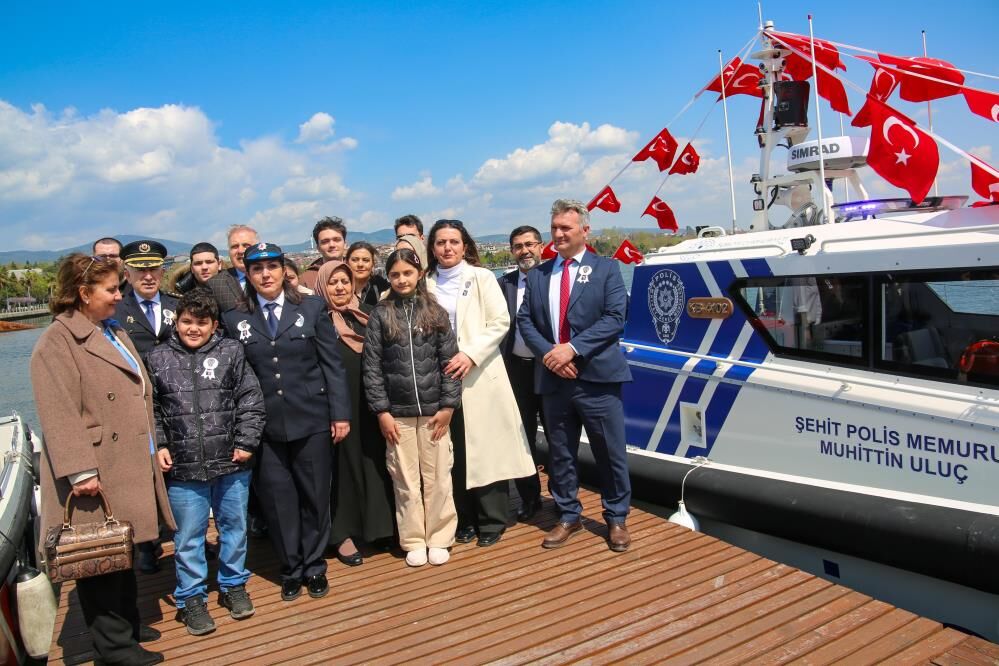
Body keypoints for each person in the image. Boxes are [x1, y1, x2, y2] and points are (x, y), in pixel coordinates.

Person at [31, 253, 176, 666]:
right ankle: (114, 650)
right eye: (111, 289)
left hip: (125, 458)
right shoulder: (56, 342)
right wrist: (80, 472)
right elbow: (58, 413)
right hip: (94, 469)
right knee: (98, 563)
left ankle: (127, 625)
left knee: (119, 551)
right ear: (83, 293)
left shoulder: (111, 329)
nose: (118, 296)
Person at [222, 243, 351, 602]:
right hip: (264, 427)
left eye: (272, 267)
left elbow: (332, 364)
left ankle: (314, 566)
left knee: (314, 496)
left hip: (311, 418)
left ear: (283, 270)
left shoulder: (311, 308)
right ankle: (291, 567)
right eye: (257, 269)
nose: (265, 275)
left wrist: (340, 413)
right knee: (279, 502)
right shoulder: (234, 319)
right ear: (248, 275)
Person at [517, 199, 633, 552]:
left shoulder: (606, 269)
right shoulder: (538, 275)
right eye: (554, 228)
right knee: (560, 454)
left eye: (565, 228)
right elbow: (525, 320)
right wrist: (551, 355)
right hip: (554, 379)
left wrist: (572, 348)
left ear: (585, 230)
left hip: (597, 378)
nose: (558, 234)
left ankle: (616, 518)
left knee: (609, 452)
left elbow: (615, 318)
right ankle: (568, 515)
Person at [147, 289, 265, 636]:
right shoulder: (156, 357)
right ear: (176, 322)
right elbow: (150, 410)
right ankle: (191, 599)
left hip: (231, 461)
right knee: (188, 537)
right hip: (183, 467)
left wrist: (246, 442)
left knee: (234, 529)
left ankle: (233, 585)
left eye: (202, 322)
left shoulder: (232, 352)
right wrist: (159, 444)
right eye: (187, 321)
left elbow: (251, 401)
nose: (193, 328)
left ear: (215, 325)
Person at [426, 219, 535, 547]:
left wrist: (470, 354)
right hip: (440, 377)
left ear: (465, 246)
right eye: (441, 242)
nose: (447, 248)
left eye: (454, 242)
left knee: (486, 449)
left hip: (479, 373)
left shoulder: (481, 277)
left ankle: (492, 519)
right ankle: (464, 518)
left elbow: (500, 322)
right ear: (432, 248)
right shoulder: (424, 282)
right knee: (454, 449)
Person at [363, 248, 460, 566]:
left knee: (438, 476)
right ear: (388, 277)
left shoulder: (435, 312)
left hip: (435, 412)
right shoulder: (380, 314)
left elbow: (449, 362)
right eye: (395, 274)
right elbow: (372, 367)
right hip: (398, 414)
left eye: (408, 273)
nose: (402, 279)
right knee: (404, 479)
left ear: (419, 274)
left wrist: (448, 406)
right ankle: (414, 539)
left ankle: (440, 537)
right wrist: (382, 411)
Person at [316, 260, 395, 566]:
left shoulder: (368, 314)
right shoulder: (315, 320)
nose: (340, 287)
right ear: (322, 285)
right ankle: (342, 533)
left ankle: (380, 526)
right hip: (336, 407)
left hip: (371, 402)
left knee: (374, 462)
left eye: (345, 281)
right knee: (342, 469)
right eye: (333, 282)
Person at [497, 225, 547, 521]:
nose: (524, 251)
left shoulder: (554, 278)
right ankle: (530, 498)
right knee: (521, 436)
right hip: (515, 370)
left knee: (557, 435)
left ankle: (564, 497)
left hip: (550, 369)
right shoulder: (503, 284)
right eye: (518, 246)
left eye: (529, 244)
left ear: (541, 246)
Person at [114, 240, 178, 363]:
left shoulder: (179, 305)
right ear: (127, 276)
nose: (148, 277)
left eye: (153, 269)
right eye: (140, 270)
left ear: (162, 273)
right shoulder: (116, 310)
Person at [206, 225, 257, 314]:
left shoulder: (274, 278)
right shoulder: (215, 284)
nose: (240, 251)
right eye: (235, 246)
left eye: (246, 245)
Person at [301, 217, 347, 290]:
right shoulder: (306, 279)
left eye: (337, 240)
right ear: (318, 248)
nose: (332, 245)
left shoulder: (357, 272)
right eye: (325, 241)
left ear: (345, 244)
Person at [346, 241, 389, 306]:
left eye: (365, 260)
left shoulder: (383, 287)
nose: (360, 264)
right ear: (347, 262)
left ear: (373, 264)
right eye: (355, 260)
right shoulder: (341, 287)